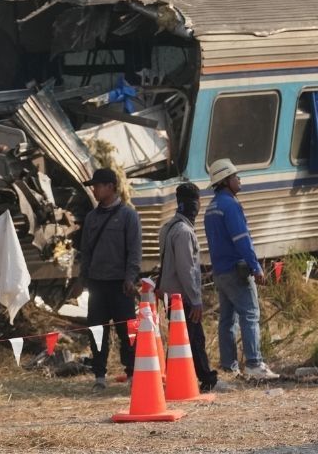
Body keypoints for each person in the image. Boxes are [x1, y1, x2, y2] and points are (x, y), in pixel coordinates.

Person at [202, 158, 278, 381]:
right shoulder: (230, 205)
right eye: (235, 176)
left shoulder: (211, 207)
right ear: (226, 181)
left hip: (220, 271)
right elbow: (242, 239)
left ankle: (229, 367)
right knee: (250, 314)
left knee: (227, 319)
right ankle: (254, 364)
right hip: (236, 270)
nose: (239, 179)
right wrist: (255, 266)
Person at [157, 182, 229, 393]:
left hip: (171, 295)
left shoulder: (167, 227)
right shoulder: (184, 232)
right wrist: (195, 300)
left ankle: (176, 379)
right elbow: (187, 269)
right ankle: (208, 379)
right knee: (195, 339)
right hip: (183, 298)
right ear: (194, 204)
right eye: (197, 201)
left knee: (179, 340)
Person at [78, 167, 142, 390]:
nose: (94, 190)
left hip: (120, 285)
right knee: (97, 331)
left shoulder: (128, 216)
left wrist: (130, 278)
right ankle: (99, 376)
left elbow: (134, 251)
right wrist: (83, 278)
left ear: (111, 187)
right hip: (97, 284)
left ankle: (133, 373)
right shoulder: (91, 218)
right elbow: (85, 251)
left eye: (97, 186)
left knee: (128, 333)